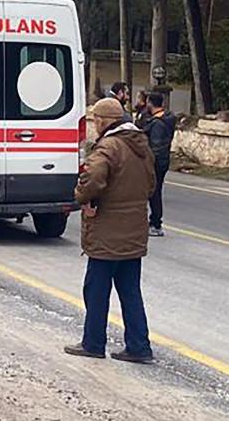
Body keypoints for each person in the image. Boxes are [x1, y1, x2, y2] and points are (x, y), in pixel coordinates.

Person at [64, 98, 155, 364]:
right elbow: (151, 184)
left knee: (96, 290)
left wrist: (82, 196)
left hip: (107, 231)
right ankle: (139, 346)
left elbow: (92, 178)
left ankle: (93, 343)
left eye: (96, 120)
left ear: (103, 121)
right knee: (130, 291)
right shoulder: (141, 146)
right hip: (134, 229)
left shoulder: (108, 147)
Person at [142, 91, 177, 237]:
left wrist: (149, 163)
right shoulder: (167, 119)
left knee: (154, 193)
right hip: (163, 161)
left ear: (150, 103)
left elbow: (156, 146)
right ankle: (154, 222)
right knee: (155, 191)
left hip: (156, 162)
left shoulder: (157, 124)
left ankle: (156, 224)